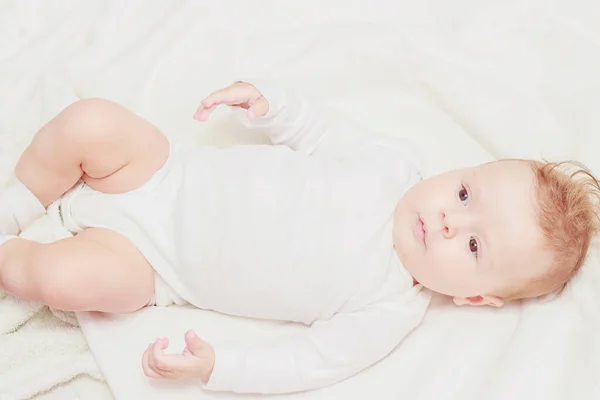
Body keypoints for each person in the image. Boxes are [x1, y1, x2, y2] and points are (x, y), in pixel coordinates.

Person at [0, 81, 597, 394]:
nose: (449, 220)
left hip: (153, 267)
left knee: (58, 278)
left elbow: (303, 364)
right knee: (90, 120)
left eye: (473, 246)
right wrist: (270, 105)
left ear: (474, 298)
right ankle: (18, 202)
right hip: (160, 172)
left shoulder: (387, 310)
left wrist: (219, 366)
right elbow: (320, 131)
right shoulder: (391, 166)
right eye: (466, 195)